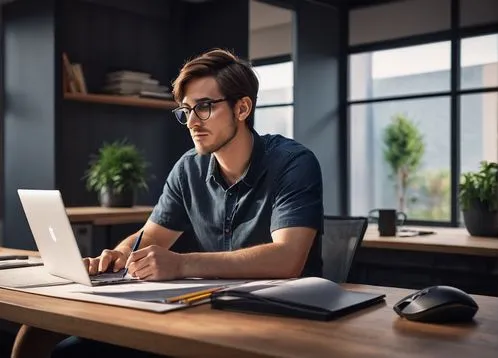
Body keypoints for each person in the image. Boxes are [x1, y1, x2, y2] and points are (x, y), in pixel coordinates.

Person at [51, 48, 323, 357]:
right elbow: (151, 236)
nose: (192, 121)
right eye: (186, 110)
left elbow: (288, 259)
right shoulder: (188, 167)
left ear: (242, 108)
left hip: (286, 321)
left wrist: (181, 264)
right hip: (212, 313)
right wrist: (118, 256)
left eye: (204, 107)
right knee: (72, 351)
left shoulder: (293, 163)